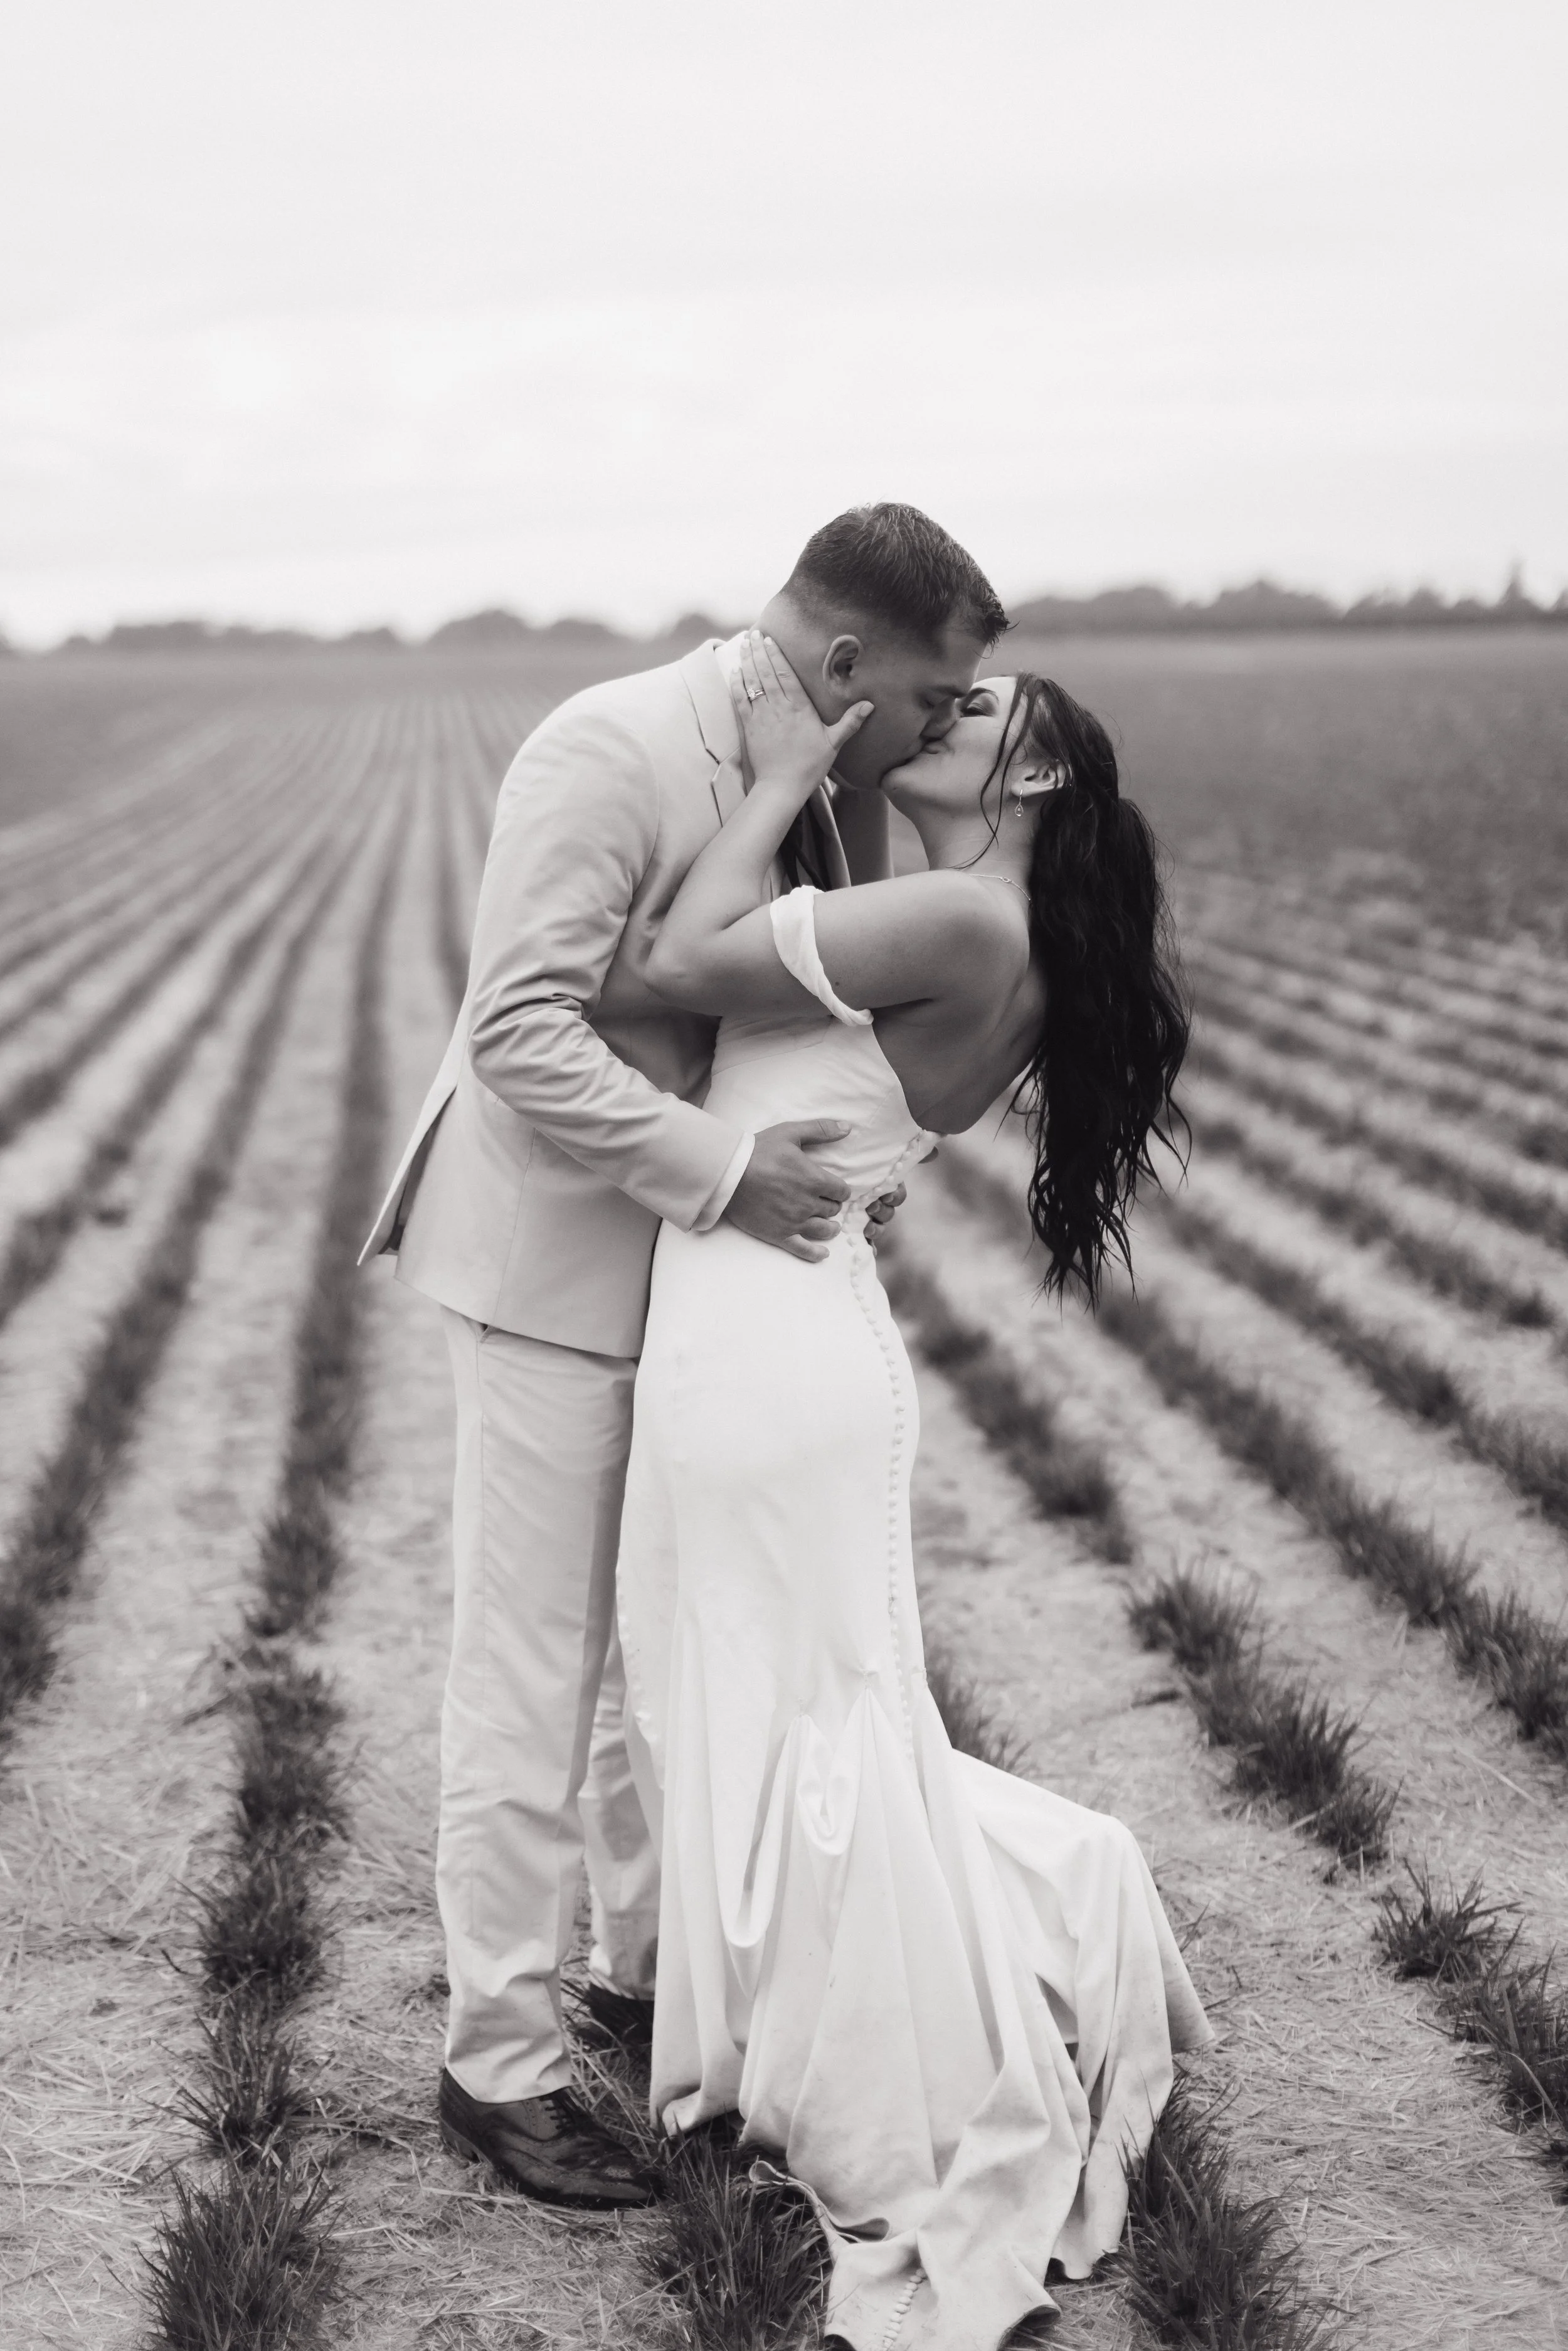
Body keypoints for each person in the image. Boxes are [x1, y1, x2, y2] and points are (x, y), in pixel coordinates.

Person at [359, 505, 1009, 2206]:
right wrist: (729, 1173)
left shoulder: (847, 786)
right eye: (936, 698)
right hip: (551, 1272)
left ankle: (644, 1989)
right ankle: (492, 2069)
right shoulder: (614, 743)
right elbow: (515, 1032)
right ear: (846, 662)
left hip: (702, 1289)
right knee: (532, 1667)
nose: (948, 729)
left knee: (654, 1664)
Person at [615, 630, 1212, 2349]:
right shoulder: (968, 919)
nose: (936, 719)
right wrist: (850, 776)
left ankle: (836, 2033)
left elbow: (675, 959)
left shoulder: (959, 922)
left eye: (974, 714)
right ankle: (800, 1994)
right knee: (789, 1687)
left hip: (767, 1350)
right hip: (782, 1334)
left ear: (1025, 777)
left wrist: (796, 771)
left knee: (785, 1689)